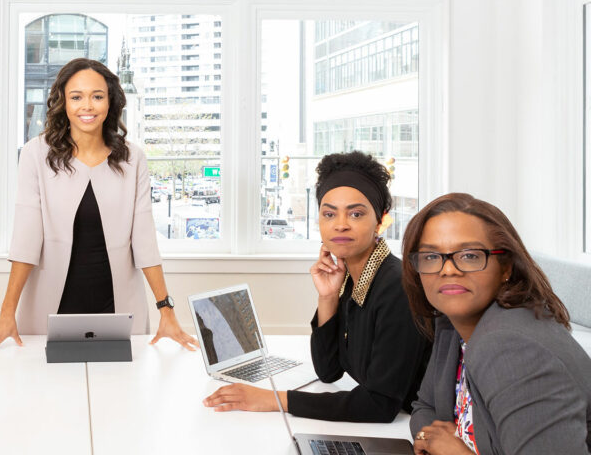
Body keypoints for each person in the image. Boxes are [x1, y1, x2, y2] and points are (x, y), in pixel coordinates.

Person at [0, 58, 197, 352]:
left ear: (110, 102)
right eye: (76, 97)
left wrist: (166, 311)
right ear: (63, 103)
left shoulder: (133, 158)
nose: (87, 106)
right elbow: (25, 239)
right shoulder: (35, 154)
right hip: (50, 307)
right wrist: (6, 313)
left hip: (116, 306)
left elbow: (144, 240)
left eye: (97, 97)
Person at [204, 151, 431, 422]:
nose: (341, 225)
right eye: (329, 214)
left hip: (417, 429)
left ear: (380, 220)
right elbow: (329, 371)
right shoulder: (350, 277)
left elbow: (379, 405)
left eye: (356, 214)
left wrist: (274, 399)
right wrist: (328, 298)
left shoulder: (397, 286)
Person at [403, 193, 591, 454]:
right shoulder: (451, 325)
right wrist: (428, 435)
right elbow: (425, 407)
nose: (448, 270)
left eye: (469, 255)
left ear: (506, 268)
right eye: (431, 257)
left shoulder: (512, 347)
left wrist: (456, 452)